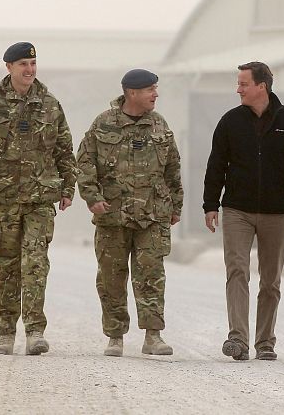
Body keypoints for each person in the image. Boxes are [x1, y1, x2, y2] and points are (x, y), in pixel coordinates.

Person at [0, 42, 77, 356]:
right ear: (8, 67)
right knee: (6, 266)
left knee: (35, 264)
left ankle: (35, 331)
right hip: (3, 200)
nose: (29, 70)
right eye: (23, 64)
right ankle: (6, 332)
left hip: (40, 200)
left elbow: (65, 150)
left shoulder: (50, 104)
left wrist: (68, 188)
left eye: (33, 64)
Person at [203, 61, 284, 361]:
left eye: (243, 84)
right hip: (236, 210)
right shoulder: (230, 122)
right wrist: (210, 204)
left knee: (270, 280)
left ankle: (265, 342)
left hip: (276, 212)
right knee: (237, 271)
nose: (238, 89)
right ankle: (237, 339)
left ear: (261, 86)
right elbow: (216, 165)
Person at [76, 69, 183, 357]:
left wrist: (176, 206)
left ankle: (153, 336)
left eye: (155, 89)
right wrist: (92, 197)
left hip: (153, 214)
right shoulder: (103, 124)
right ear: (131, 93)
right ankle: (115, 336)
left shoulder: (160, 125)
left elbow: (173, 168)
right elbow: (84, 163)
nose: (155, 94)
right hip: (113, 213)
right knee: (111, 276)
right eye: (150, 90)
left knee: (151, 275)